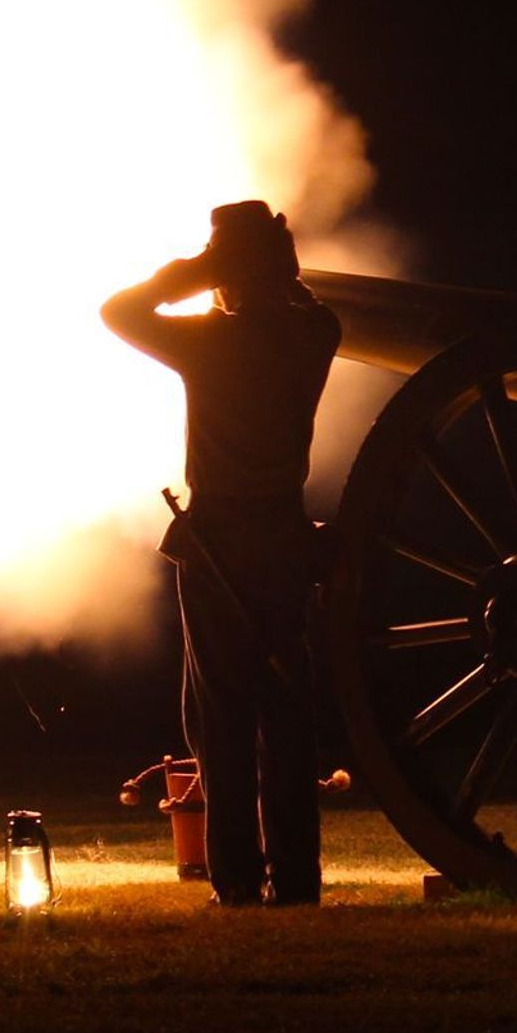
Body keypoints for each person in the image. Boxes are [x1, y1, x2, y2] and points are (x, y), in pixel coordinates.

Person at [105, 202, 344, 907]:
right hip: (284, 542)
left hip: (219, 547)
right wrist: (256, 268)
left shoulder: (211, 342)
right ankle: (298, 880)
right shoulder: (315, 334)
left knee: (224, 720)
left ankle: (237, 880)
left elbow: (120, 310)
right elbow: (306, 304)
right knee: (287, 719)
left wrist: (193, 271)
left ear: (229, 267)